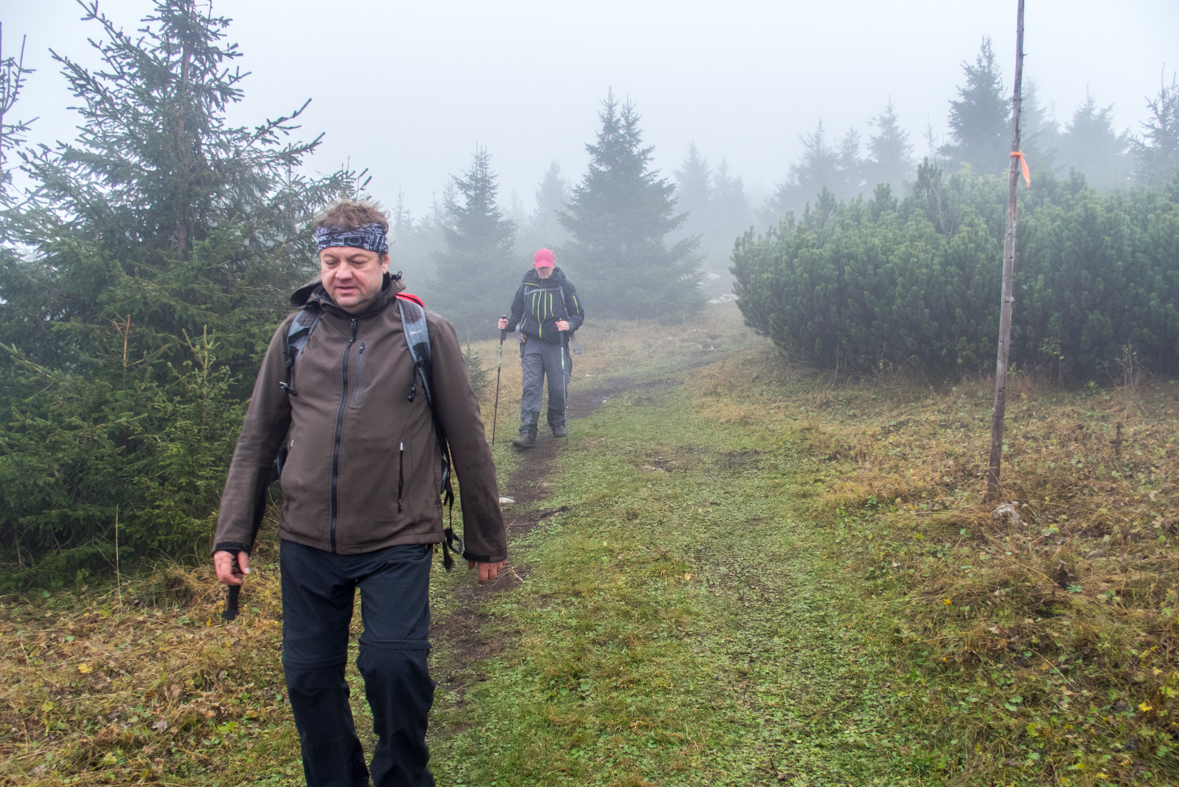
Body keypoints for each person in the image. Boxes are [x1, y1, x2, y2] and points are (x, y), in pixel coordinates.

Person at [212, 200, 506, 787]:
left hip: (398, 536)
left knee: (393, 665)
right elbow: (257, 437)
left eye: (356, 260)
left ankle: (401, 776)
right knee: (309, 678)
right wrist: (232, 533)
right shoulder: (295, 333)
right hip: (305, 540)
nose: (342, 272)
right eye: (330, 260)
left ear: (383, 261)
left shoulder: (424, 332)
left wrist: (486, 539)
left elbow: (467, 440)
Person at [497, 248, 585, 449]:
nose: (543, 270)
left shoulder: (565, 286)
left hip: (556, 343)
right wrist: (506, 325)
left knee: (558, 387)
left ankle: (557, 422)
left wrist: (569, 325)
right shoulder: (525, 287)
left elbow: (578, 314)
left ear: (553, 265)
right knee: (531, 387)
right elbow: (516, 314)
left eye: (546, 267)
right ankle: (528, 430)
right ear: (534, 267)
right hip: (532, 344)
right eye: (540, 267)